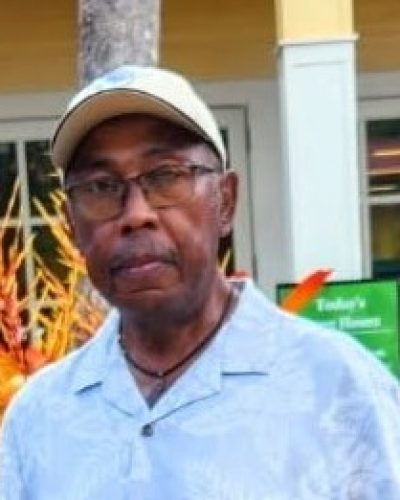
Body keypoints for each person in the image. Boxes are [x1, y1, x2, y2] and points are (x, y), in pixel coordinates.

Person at [1, 65, 400, 500]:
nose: (136, 214)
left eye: (166, 176)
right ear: (72, 225)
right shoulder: (39, 419)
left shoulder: (339, 389)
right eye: (100, 186)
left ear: (225, 201)